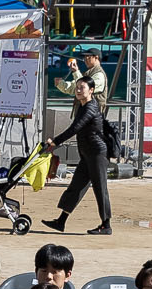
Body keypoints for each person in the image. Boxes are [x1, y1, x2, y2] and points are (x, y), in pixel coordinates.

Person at [41, 75, 113, 236]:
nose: (78, 90)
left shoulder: (91, 107)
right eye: (77, 87)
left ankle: (106, 225)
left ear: (91, 90)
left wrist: (55, 142)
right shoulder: (82, 106)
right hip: (87, 154)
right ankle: (61, 221)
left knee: (101, 189)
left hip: (97, 154)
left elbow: (75, 128)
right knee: (76, 186)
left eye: (82, 88)